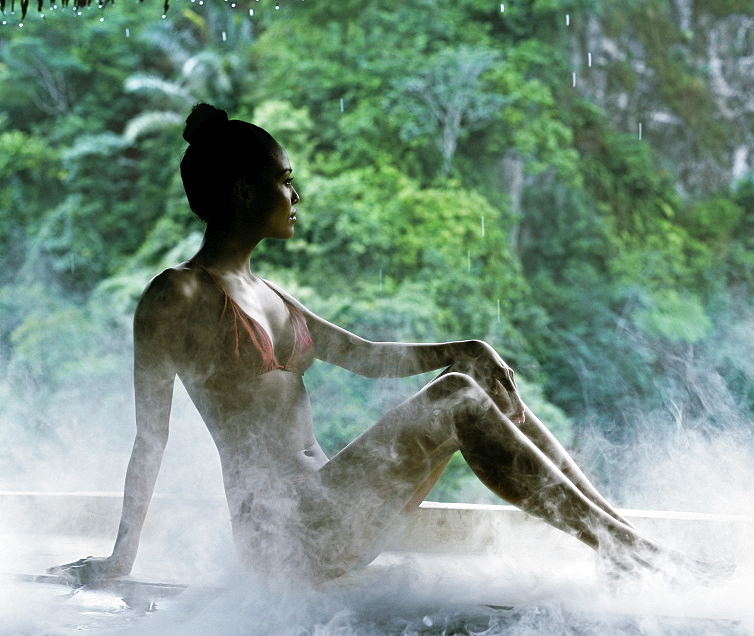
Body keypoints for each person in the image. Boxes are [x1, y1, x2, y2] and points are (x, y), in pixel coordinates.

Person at [52, 103, 662, 587]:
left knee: (479, 385)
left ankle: (623, 542)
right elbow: (149, 437)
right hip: (282, 535)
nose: (296, 197)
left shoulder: (269, 293)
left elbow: (367, 356)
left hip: (334, 513)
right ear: (243, 192)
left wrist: (464, 346)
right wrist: (119, 560)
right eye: (285, 182)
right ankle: (624, 549)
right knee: (457, 398)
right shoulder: (176, 295)